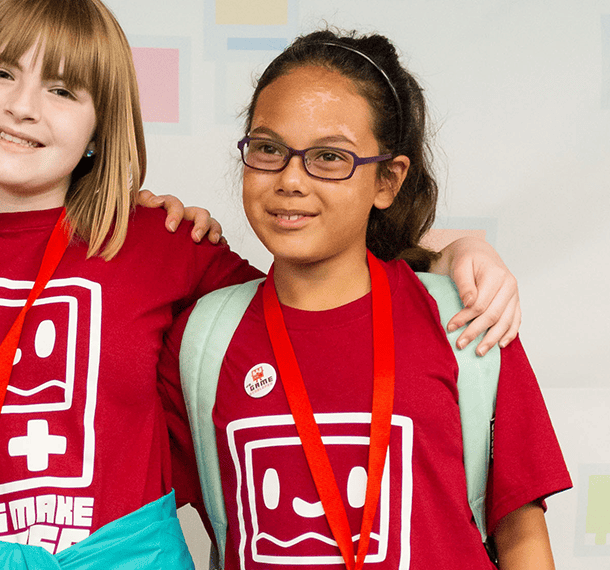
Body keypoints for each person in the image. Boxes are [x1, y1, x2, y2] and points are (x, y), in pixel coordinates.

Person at [0, 0, 523, 569]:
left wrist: (450, 250)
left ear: (99, 129)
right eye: (1, 73)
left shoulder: (164, 242)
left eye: (62, 89)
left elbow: (319, 294)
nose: (24, 106)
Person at [177, 30, 571, 569]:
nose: (291, 179)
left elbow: (522, 535)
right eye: (268, 149)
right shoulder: (202, 340)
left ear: (387, 180)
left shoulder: (465, 317)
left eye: (329, 157)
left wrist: (461, 248)